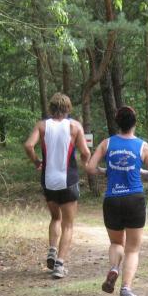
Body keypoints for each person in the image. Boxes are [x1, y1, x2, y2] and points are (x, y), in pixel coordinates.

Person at [86, 106, 148, 296]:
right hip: (134, 199)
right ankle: (126, 289)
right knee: (132, 249)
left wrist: (106, 171)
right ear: (134, 123)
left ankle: (113, 268)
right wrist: (140, 172)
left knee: (116, 243)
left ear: (117, 123)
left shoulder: (107, 143)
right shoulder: (142, 146)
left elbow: (90, 168)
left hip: (112, 199)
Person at [23, 93, 91, 278]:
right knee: (68, 225)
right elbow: (85, 152)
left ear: (51, 108)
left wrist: (36, 162)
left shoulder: (42, 126)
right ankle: (59, 265)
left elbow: (28, 145)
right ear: (68, 108)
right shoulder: (75, 126)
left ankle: (52, 250)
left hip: (48, 180)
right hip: (68, 180)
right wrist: (85, 162)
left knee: (55, 218)